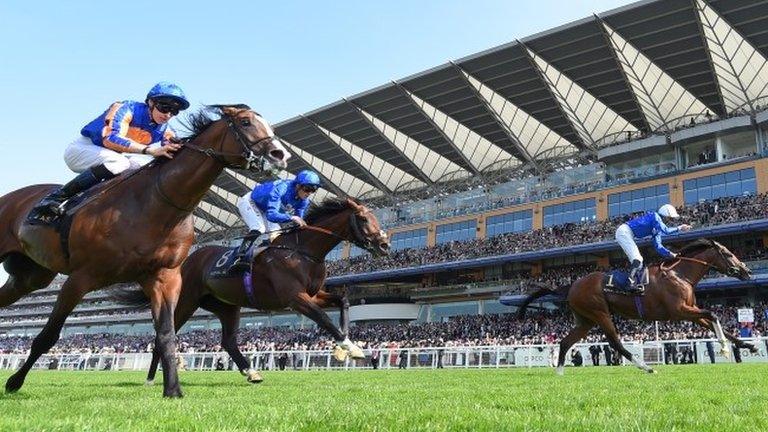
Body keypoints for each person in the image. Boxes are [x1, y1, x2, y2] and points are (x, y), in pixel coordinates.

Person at [34, 82, 189, 217]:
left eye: (173, 112)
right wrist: (149, 150)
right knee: (119, 163)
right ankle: (56, 197)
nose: (168, 115)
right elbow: (111, 139)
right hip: (82, 149)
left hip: (108, 156)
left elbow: (173, 144)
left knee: (143, 169)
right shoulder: (126, 108)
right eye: (164, 108)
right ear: (150, 102)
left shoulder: (164, 128)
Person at [229, 170, 321, 272]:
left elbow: (299, 221)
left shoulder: (303, 201)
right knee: (259, 228)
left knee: (276, 237)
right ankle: (238, 258)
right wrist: (291, 217)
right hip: (251, 202)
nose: (309, 193)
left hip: (265, 209)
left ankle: (255, 258)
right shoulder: (282, 189)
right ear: (298, 185)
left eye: (313, 190)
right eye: (307, 189)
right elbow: (271, 215)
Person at [614, 204, 692, 293]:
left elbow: (658, 247)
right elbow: (666, 230)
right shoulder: (655, 217)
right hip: (624, 232)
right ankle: (629, 283)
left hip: (627, 234)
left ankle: (634, 282)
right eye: (670, 218)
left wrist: (670, 254)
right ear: (665, 216)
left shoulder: (657, 228)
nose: (670, 220)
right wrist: (679, 228)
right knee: (638, 259)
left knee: (639, 262)